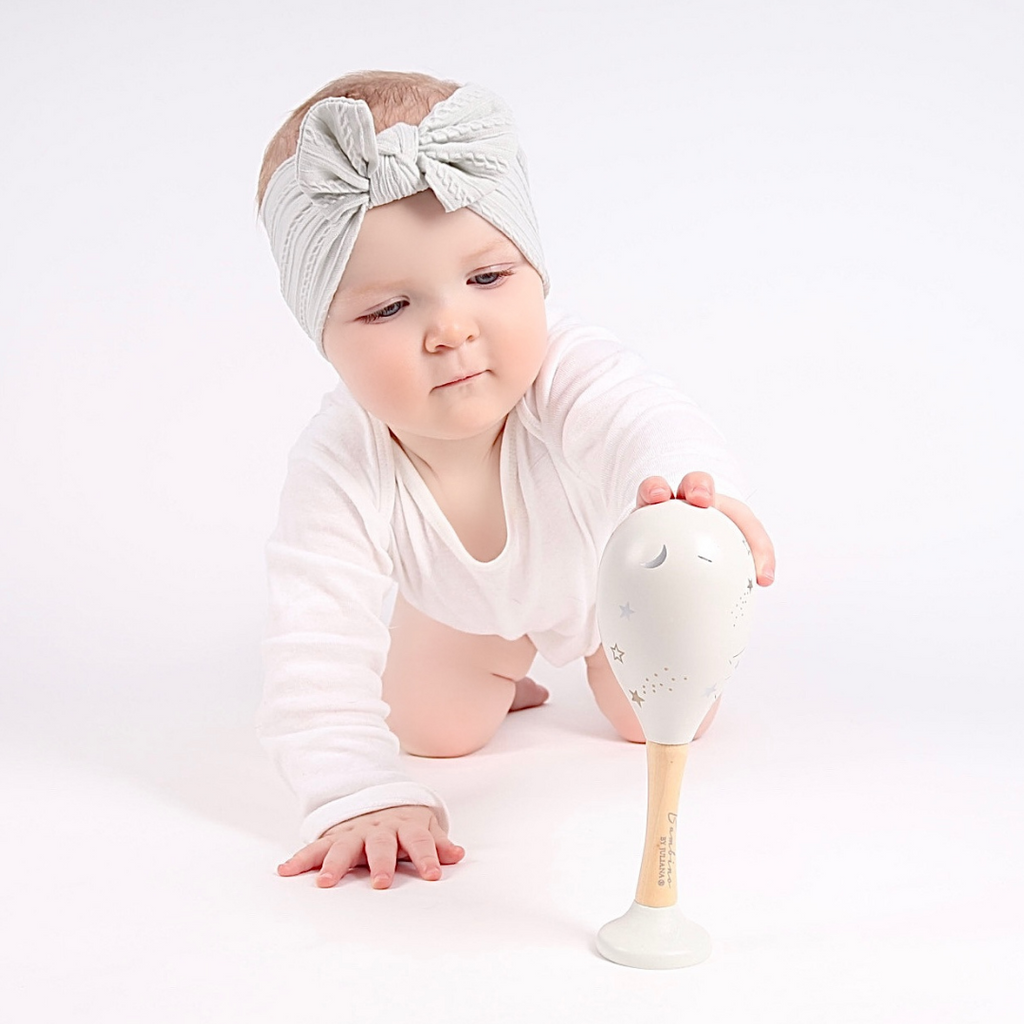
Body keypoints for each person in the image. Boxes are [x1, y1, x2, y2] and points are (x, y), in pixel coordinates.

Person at [255, 70, 775, 892]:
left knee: (659, 719)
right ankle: (506, 658)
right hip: (466, 615)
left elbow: (644, 416)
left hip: (616, 597)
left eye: (488, 278)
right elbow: (312, 641)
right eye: (390, 309)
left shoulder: (566, 370)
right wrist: (354, 790)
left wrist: (688, 494)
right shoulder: (339, 459)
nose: (451, 328)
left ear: (537, 274)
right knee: (431, 730)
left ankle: (596, 652)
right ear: (322, 336)